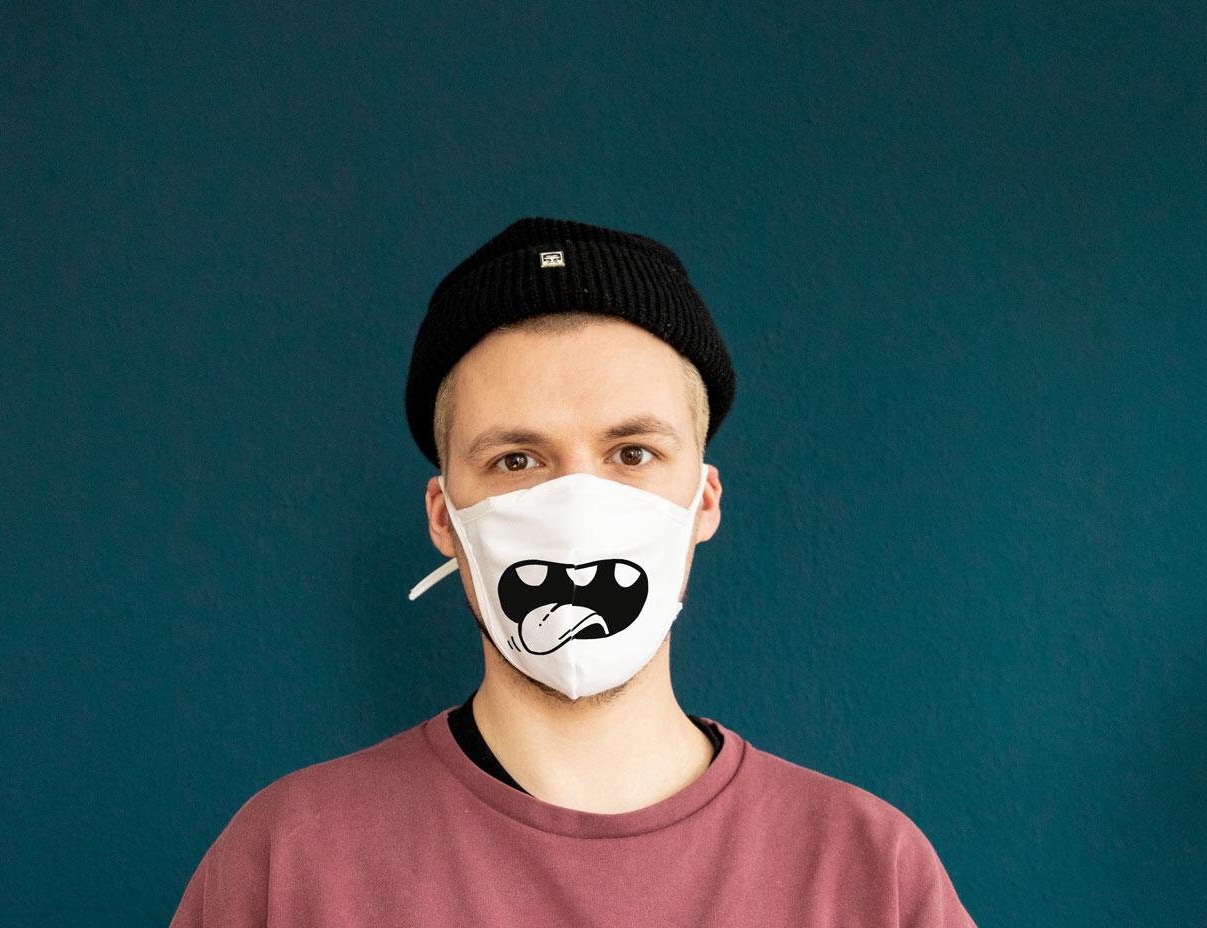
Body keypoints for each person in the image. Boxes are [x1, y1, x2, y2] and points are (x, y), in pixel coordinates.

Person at [170, 217, 977, 927]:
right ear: (444, 517)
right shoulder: (287, 865)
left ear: (703, 500)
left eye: (633, 453)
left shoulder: (870, 874)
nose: (578, 508)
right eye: (516, 459)